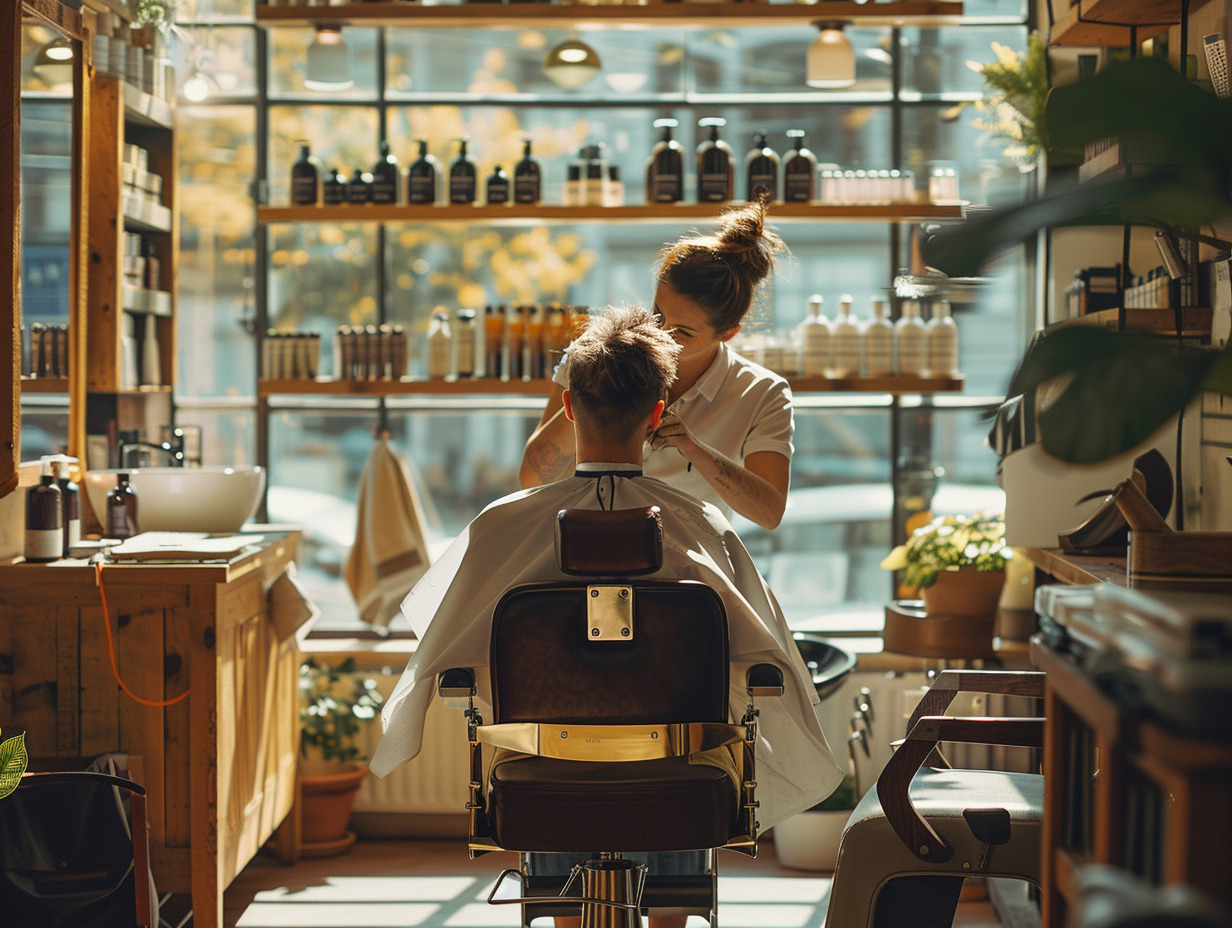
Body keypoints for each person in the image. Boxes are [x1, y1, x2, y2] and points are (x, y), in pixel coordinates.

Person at [371, 307, 843, 926]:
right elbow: (768, 660)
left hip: (549, 774)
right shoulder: (705, 532)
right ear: (657, 415)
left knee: (568, 899)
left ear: (567, 409)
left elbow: (440, 648)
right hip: (675, 778)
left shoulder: (501, 528)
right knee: (675, 889)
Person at [519, 199, 792, 531]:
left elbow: (769, 514)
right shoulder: (597, 354)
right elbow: (532, 479)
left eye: (683, 332)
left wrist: (693, 449)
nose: (662, 334)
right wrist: (589, 387)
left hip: (689, 570)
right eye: (659, 314)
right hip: (586, 550)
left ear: (728, 333)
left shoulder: (762, 393)